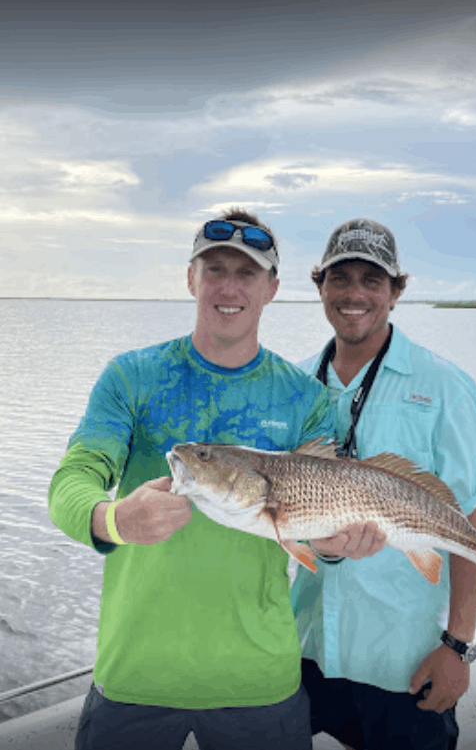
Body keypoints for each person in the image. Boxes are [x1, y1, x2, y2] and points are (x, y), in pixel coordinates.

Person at [48, 209, 336, 750]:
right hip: (135, 672)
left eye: (247, 273)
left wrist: (341, 544)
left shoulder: (307, 399)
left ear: (272, 288)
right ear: (190, 279)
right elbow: (74, 478)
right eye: (215, 269)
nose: (229, 287)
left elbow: (325, 531)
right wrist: (112, 518)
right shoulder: (131, 377)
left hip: (260, 681)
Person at [291, 218, 476, 750]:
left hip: (403, 659)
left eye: (372, 279)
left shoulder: (445, 386)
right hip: (303, 646)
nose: (354, 294)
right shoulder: (294, 384)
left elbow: (470, 515)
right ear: (319, 286)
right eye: (340, 278)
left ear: (397, 291)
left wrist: (458, 646)